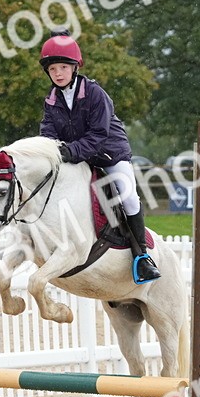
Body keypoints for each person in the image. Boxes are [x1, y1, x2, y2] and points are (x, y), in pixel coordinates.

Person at [38, 32, 160, 284]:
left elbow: (98, 134)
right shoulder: (51, 99)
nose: (58, 73)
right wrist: (50, 150)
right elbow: (47, 131)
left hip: (109, 153)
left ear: (74, 67)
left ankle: (142, 258)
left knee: (128, 196)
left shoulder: (94, 93)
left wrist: (71, 151)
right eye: (52, 69)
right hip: (79, 156)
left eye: (63, 67)